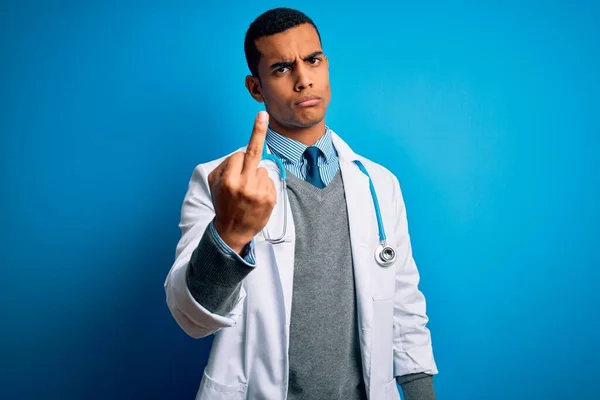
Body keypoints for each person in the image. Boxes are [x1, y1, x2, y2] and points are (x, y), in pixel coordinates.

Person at [164, 7, 438, 400]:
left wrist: (420, 392)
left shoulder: (379, 183)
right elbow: (192, 316)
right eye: (281, 68)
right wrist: (230, 234)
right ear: (255, 88)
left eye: (313, 60)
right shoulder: (221, 181)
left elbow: (404, 304)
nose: (304, 79)